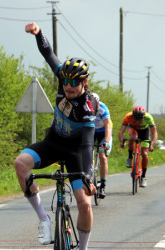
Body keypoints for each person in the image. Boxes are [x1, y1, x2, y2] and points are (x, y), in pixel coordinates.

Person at [14, 22, 98, 250]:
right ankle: (44, 219)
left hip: (76, 152)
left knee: (84, 204)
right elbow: (48, 53)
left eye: (74, 83)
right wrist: (38, 33)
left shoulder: (88, 106)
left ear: (84, 82)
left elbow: (89, 142)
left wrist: (88, 175)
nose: (68, 87)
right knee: (20, 164)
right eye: (66, 82)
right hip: (53, 142)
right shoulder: (63, 76)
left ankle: (83, 247)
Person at [118, 106, 158, 188]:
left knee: (144, 154)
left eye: (140, 120)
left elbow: (154, 133)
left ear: (143, 117)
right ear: (133, 117)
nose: (138, 122)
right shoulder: (128, 117)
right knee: (133, 137)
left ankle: (143, 177)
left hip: (144, 131)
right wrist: (122, 142)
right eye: (136, 120)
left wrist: (152, 144)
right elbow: (121, 131)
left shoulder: (149, 117)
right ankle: (130, 157)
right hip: (133, 129)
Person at [90, 92, 112, 199]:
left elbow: (108, 126)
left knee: (103, 156)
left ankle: (103, 185)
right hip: (92, 131)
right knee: (87, 154)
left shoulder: (103, 108)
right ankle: (89, 180)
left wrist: (106, 142)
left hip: (104, 132)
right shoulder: (86, 107)